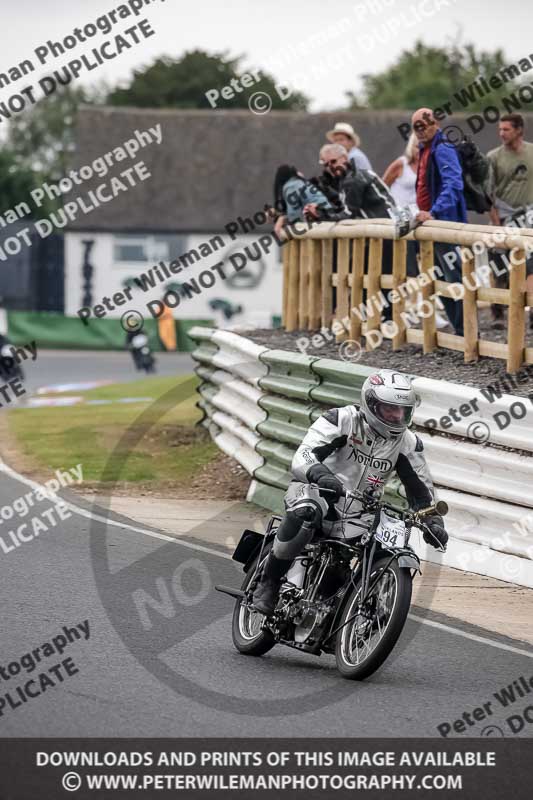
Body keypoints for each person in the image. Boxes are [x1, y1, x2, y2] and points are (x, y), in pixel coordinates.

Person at [252, 369, 448, 616]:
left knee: (386, 542)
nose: (397, 416)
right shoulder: (340, 419)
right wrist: (323, 476)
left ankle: (346, 603)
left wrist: (433, 520)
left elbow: (421, 492)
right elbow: (303, 456)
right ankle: (268, 582)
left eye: (402, 411)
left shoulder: (408, 443)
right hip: (317, 491)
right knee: (306, 511)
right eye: (390, 409)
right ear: (371, 404)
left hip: (361, 511)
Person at [412, 107, 466, 337]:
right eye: (416, 127)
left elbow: (454, 183)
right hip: (434, 225)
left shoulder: (442, 148)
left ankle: (466, 331)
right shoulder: (426, 150)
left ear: (436, 124)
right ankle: (460, 330)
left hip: (445, 225)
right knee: (440, 279)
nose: (420, 130)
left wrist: (433, 211)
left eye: (424, 125)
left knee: (453, 279)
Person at [487, 113, 533, 329]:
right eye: (499, 130)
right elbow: (488, 194)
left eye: (506, 129)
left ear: (519, 130)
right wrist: (496, 223)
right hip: (504, 218)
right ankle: (497, 311)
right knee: (499, 267)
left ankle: (532, 311)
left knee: (531, 267)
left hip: (529, 218)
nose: (501, 133)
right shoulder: (494, 157)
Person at [383, 133, 419, 277]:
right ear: (411, 147)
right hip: (400, 215)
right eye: (417, 146)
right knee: (406, 253)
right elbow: (382, 186)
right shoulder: (401, 164)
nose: (419, 150)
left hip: (418, 215)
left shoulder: (428, 165)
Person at [272, 164, 335, 237]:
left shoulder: (290, 186)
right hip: (328, 213)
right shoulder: (300, 182)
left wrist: (286, 224)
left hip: (321, 215)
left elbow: (294, 213)